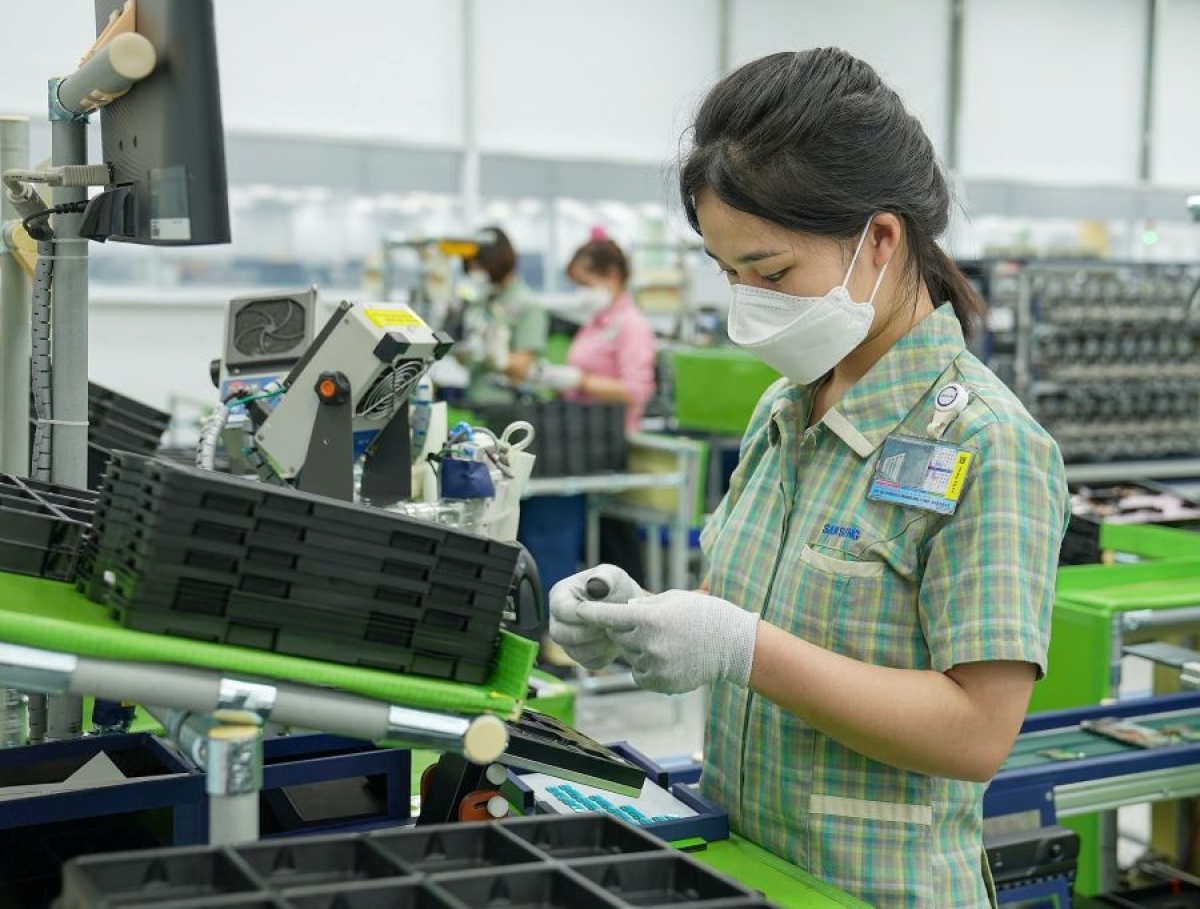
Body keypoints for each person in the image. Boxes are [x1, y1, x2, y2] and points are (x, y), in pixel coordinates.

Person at [548, 48, 1068, 908]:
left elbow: (978, 731)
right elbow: (747, 603)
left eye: (772, 273)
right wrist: (643, 622)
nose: (748, 303)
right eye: (730, 274)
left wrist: (740, 647)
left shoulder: (990, 443)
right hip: (743, 870)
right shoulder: (783, 411)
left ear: (882, 240)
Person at [528, 231, 657, 433]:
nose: (582, 293)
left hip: (613, 434)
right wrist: (555, 378)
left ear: (613, 275)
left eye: (586, 284)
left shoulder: (632, 325)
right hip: (585, 429)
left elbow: (636, 392)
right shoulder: (594, 323)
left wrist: (581, 382)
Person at [460, 226, 548, 404]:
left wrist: (492, 357)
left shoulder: (527, 304)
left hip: (509, 404)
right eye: (470, 267)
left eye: (479, 265)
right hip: (477, 398)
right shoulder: (481, 301)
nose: (474, 272)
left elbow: (524, 364)